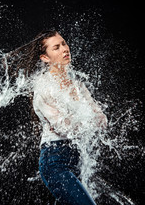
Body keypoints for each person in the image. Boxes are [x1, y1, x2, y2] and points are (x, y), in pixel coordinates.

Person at [6, 29, 107, 205]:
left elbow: (102, 120)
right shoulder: (44, 87)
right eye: (56, 48)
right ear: (45, 58)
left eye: (64, 44)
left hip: (77, 160)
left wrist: (77, 121)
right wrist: (85, 120)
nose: (64, 49)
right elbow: (65, 128)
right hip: (55, 163)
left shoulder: (78, 85)